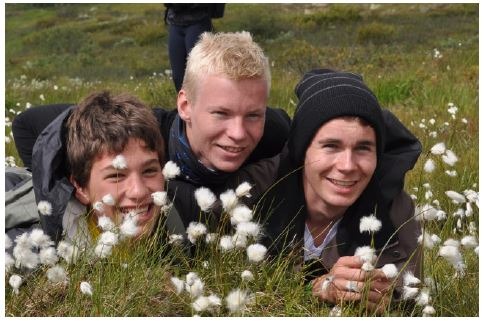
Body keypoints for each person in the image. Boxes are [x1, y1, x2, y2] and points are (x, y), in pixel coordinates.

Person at [10, 31, 290, 237]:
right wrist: (63, 186)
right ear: (185, 106)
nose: (239, 133)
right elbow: (26, 125)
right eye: (221, 114)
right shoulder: (138, 138)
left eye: (253, 115)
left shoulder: (276, 131)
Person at [226, 69, 422, 313]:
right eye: (331, 146)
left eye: (363, 148)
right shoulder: (251, 191)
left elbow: (408, 299)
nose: (348, 166)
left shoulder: (394, 210)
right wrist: (317, 288)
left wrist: (384, 301)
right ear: (302, 149)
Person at [6, 91, 167, 246]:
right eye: (116, 176)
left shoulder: (178, 223)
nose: (138, 192)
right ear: (80, 187)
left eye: (149, 171)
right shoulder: (28, 248)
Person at [164, 3, 225, 91]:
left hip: (198, 20)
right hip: (175, 20)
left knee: (198, 74)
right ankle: (185, 103)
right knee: (178, 77)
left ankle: (204, 102)